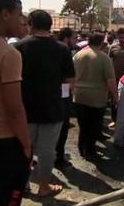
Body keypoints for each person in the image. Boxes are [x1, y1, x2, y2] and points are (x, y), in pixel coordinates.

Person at [14, 10, 75, 197]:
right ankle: (44, 187)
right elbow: (69, 79)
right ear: (50, 25)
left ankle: (22, 185)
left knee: (24, 149)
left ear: (31, 24)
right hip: (52, 108)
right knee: (47, 152)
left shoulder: (18, 47)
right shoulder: (62, 49)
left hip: (25, 109)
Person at [0, 0, 31, 206]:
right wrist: (26, 145)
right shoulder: (8, 53)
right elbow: (14, 109)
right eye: (18, 13)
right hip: (2, 144)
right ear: (5, 14)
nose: (21, 20)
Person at [73, 32, 117, 159]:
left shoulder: (78, 55)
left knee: (83, 126)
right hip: (96, 99)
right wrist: (115, 96)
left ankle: (82, 149)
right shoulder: (103, 58)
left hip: (79, 96)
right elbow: (110, 80)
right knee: (93, 127)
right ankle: (90, 152)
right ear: (101, 43)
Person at [55, 28, 76, 168]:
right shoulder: (64, 50)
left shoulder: (52, 47)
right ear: (67, 38)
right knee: (62, 127)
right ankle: (59, 158)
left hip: (51, 92)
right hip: (62, 93)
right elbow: (70, 76)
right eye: (73, 37)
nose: (75, 40)